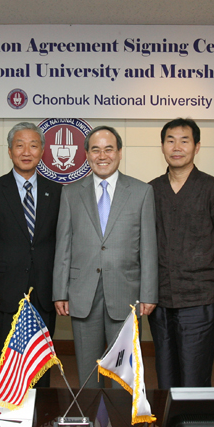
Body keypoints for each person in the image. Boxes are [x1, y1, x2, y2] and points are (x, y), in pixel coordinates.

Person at [53, 126, 158, 388]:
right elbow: (63, 245)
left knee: (124, 373)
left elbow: (148, 247)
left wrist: (149, 294)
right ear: (87, 155)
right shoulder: (70, 192)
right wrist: (60, 292)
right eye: (95, 150)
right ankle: (90, 413)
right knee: (88, 373)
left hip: (126, 293)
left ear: (119, 152)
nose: (102, 156)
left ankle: (120, 416)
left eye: (109, 149)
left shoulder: (142, 191)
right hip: (82, 293)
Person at [148, 118, 214, 388]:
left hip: (199, 298)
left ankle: (194, 417)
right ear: (162, 146)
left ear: (197, 147)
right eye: (170, 141)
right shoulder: (150, 190)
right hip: (160, 299)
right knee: (165, 374)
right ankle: (167, 417)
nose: (177, 147)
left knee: (194, 376)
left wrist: (199, 261)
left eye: (184, 141)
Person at [0, 122, 62, 382]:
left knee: (40, 365)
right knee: (2, 365)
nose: (26, 151)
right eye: (19, 145)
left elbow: (62, 243)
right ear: (10, 151)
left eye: (33, 146)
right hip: (2, 294)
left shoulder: (58, 192)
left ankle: (39, 409)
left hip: (44, 293)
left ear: (42, 151)